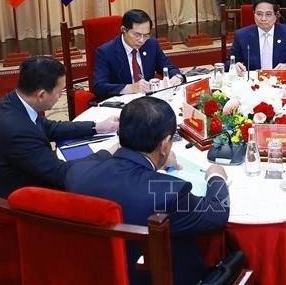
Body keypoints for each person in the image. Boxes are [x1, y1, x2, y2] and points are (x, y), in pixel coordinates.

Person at [65, 97, 229, 285]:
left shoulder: (77, 173)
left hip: (93, 275)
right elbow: (217, 215)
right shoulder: (168, 192)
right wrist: (216, 177)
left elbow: (95, 160)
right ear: (165, 143)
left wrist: (157, 158)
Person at [0, 56, 119, 199]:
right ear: (42, 95)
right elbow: (61, 174)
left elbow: (50, 128)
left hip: (32, 173)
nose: (60, 97)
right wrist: (107, 153)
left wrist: (97, 127)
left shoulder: (15, 101)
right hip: (19, 199)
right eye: (59, 92)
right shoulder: (18, 130)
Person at [92, 9, 184, 98]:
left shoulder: (151, 44)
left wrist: (177, 77)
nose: (142, 40)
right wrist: (130, 88)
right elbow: (99, 86)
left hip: (149, 101)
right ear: (123, 30)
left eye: (146, 35)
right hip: (122, 103)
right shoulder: (106, 52)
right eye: (137, 35)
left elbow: (168, 67)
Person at [230, 0, 286, 73]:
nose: (263, 19)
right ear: (254, 14)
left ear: (276, 15)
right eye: (259, 14)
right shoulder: (241, 36)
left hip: (281, 80)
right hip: (253, 82)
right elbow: (229, 62)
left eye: (268, 14)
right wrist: (235, 65)